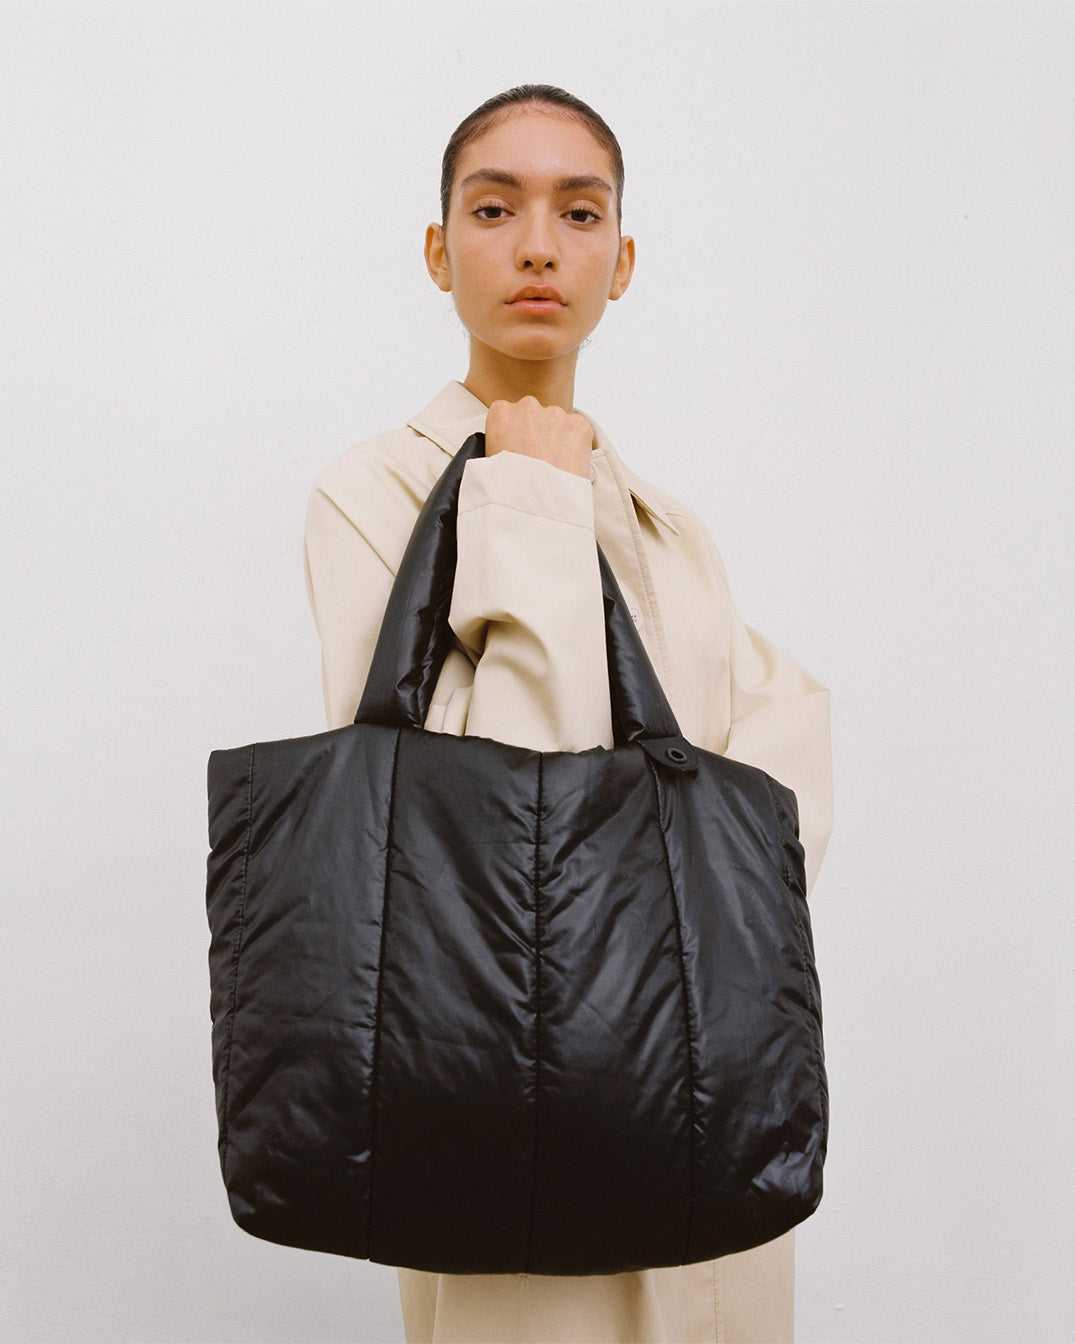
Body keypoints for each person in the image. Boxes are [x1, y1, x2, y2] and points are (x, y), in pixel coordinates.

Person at [304, 84, 833, 1344]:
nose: (538, 245)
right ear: (439, 252)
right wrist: (529, 506)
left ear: (621, 261)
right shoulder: (376, 493)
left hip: (701, 1100)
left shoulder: (663, 521)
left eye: (578, 212)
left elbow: (775, 812)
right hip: (499, 1102)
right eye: (494, 209)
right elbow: (491, 821)